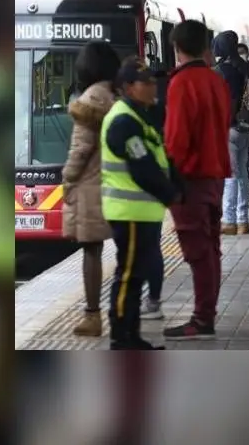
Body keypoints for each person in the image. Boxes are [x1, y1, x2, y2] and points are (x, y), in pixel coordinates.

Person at [101, 56, 181, 350]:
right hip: (130, 213)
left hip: (143, 212)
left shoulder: (140, 116)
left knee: (135, 277)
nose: (152, 87)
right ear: (129, 88)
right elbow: (142, 166)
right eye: (145, 83)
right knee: (128, 276)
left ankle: (131, 335)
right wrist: (171, 195)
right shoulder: (123, 121)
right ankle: (121, 338)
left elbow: (161, 159)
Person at [163, 19, 231, 341]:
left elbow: (177, 138)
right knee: (211, 248)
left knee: (197, 252)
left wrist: (167, 179)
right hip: (215, 175)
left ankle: (202, 319)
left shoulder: (180, 83)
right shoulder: (216, 81)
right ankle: (207, 315)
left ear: (176, 48)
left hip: (190, 178)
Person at [62, 40, 122, 337]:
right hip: (117, 184)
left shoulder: (89, 100)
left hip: (91, 187)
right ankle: (127, 308)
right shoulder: (116, 95)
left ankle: (92, 315)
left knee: (92, 252)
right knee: (128, 250)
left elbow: (80, 149)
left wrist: (67, 180)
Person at [213, 31, 249, 235]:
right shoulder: (246, 67)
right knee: (243, 174)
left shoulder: (219, 70)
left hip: (227, 128)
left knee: (230, 175)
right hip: (245, 127)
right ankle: (243, 220)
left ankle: (229, 221)